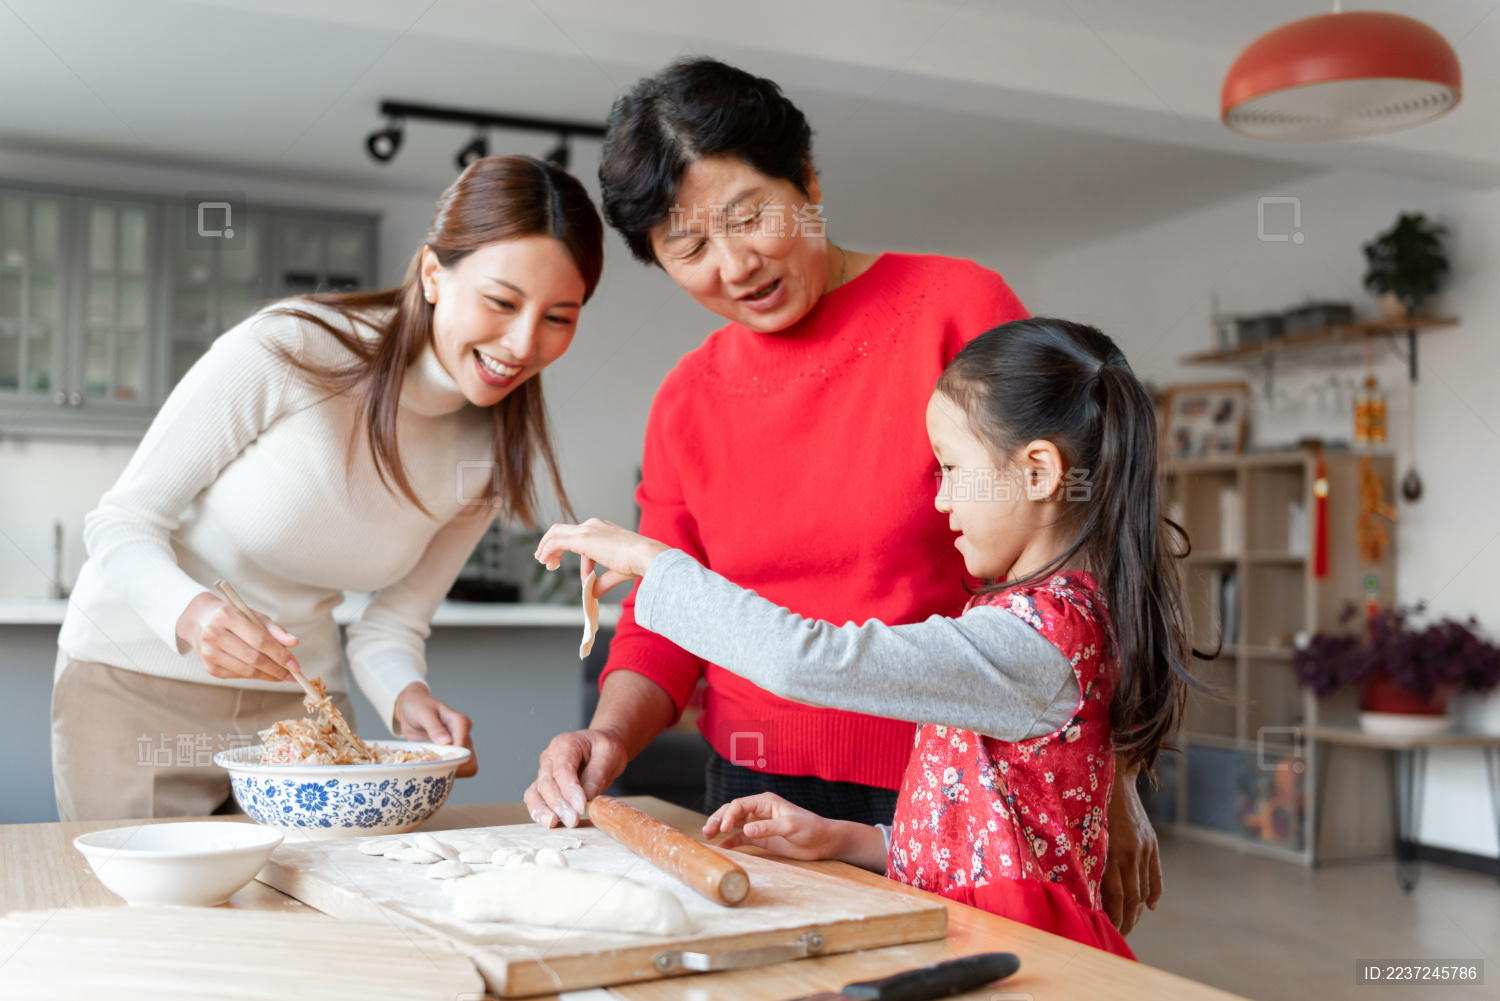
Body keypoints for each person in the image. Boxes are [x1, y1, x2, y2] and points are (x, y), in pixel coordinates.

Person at [524, 56, 1163, 933]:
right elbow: (659, 618)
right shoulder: (686, 398)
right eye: (690, 247)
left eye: (751, 217)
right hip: (750, 793)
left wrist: (1113, 778)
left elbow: (1083, 553)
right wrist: (609, 735)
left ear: (811, 183)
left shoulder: (958, 308)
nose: (735, 263)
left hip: (951, 779)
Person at [534, 317, 1197, 957]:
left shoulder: (1033, 639)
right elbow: (986, 840)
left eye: (951, 468)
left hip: (1015, 957)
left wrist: (655, 563)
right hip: (977, 935)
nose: (940, 502)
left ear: (1038, 472)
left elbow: (806, 659)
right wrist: (843, 838)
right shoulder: (1044, 623)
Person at [52, 155, 604, 821]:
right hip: (135, 692)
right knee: (153, 921)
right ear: (434, 274)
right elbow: (122, 522)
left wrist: (408, 697)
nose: (522, 342)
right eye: (502, 301)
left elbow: (392, 621)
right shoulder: (293, 350)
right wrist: (196, 616)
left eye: (559, 316)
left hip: (301, 708)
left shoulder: (489, 452)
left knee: (316, 913)